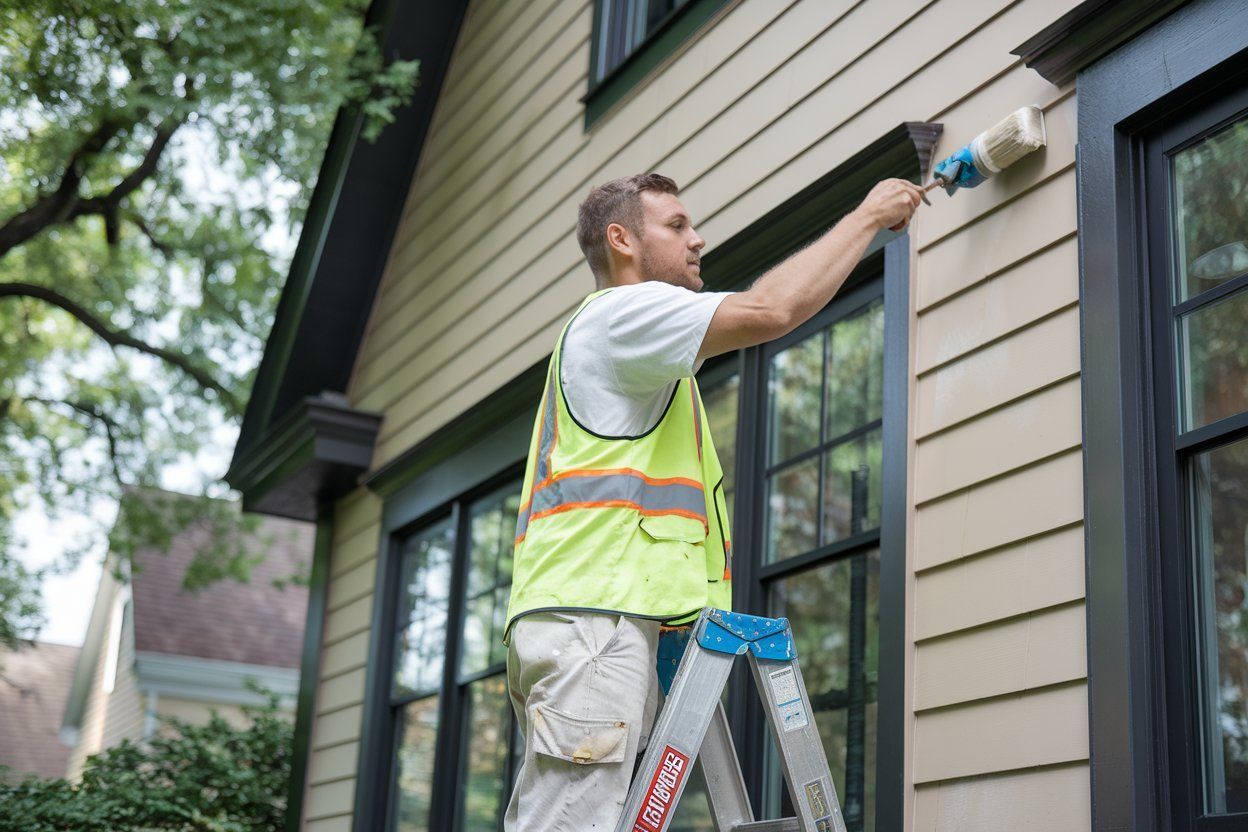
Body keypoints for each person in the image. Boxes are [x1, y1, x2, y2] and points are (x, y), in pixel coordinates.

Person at [501, 172, 922, 831]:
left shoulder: (631, 346)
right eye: (675, 225)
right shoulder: (622, 315)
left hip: (601, 619)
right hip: (594, 621)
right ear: (623, 240)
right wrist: (868, 216)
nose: (697, 239)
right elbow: (770, 312)